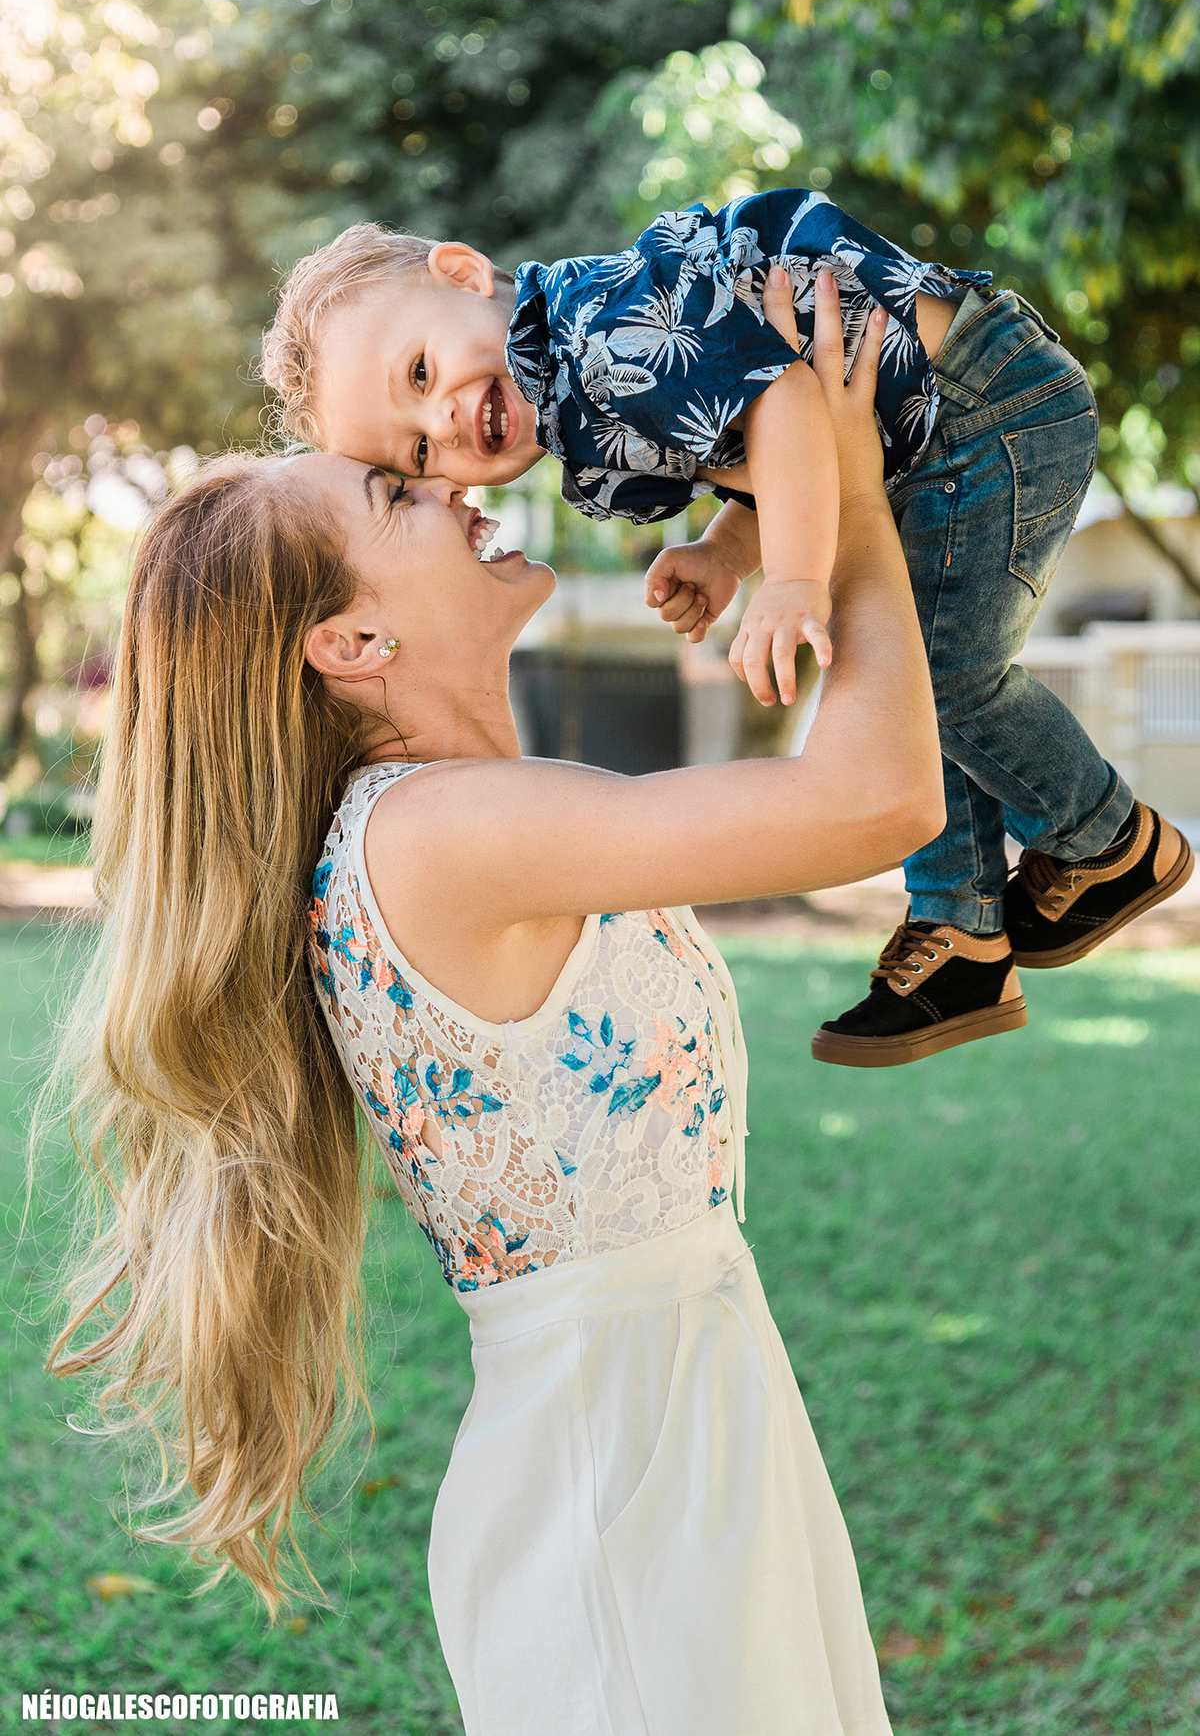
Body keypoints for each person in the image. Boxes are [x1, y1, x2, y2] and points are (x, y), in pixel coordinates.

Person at [45, 281, 942, 1733]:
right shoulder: (434, 835)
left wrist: (767, 508)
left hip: (679, 1424)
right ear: (353, 643)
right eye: (396, 493)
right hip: (622, 1481)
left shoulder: (461, 816)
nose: (453, 480)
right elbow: (877, 801)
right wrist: (841, 479)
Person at [259, 187, 1193, 1068]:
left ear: (465, 274)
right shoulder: (581, 402)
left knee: (943, 676)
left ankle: (1109, 842)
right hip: (924, 438)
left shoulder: (597, 332)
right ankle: (962, 932)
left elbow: (787, 402)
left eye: (421, 372)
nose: (445, 419)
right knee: (902, 677)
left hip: (980, 406)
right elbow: (765, 448)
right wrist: (723, 553)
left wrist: (792, 578)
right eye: (420, 451)